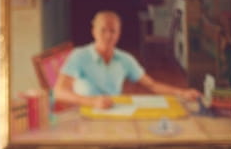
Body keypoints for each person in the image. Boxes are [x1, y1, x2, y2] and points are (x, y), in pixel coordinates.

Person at [54, 10, 201, 109]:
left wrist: (182, 93)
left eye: (113, 31)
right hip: (83, 114)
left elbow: (152, 85)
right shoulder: (79, 56)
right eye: (103, 30)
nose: (108, 36)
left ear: (119, 33)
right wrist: (91, 102)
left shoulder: (125, 59)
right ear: (93, 31)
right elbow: (59, 92)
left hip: (112, 112)